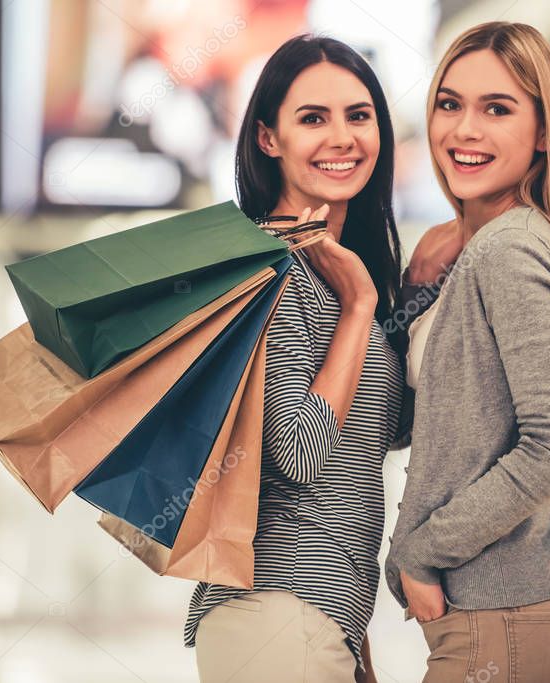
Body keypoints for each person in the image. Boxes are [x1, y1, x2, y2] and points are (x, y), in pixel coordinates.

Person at [183, 35, 407, 682]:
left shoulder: (336, 272)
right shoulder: (274, 273)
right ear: (267, 139)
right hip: (275, 615)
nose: (341, 137)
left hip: (315, 613)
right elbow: (302, 449)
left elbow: (379, 433)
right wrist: (362, 304)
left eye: (358, 115)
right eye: (313, 118)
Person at [386, 22, 550, 682]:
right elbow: (404, 428)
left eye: (496, 108)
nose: (463, 129)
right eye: (449, 104)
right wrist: (417, 296)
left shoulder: (508, 249)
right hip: (500, 617)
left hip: (505, 619)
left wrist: (420, 554)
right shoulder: (478, 250)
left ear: (542, 132)